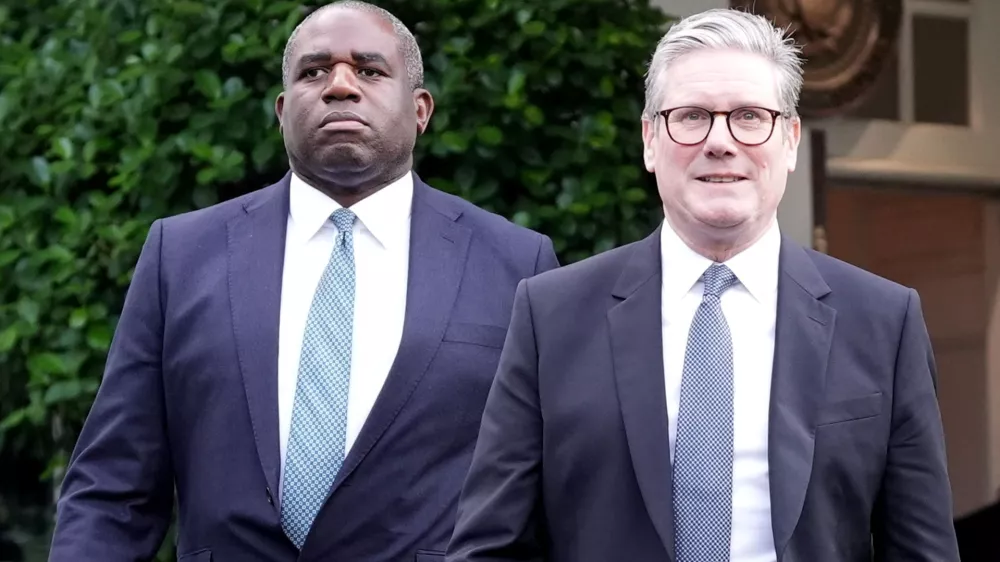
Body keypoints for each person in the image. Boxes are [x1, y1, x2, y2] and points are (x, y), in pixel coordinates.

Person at [48, 1, 558, 561]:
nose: (340, 86)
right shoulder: (182, 255)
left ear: (420, 109)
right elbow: (113, 489)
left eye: (369, 70)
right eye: (313, 71)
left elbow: (554, 490)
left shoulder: (516, 264)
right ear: (283, 108)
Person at [446, 8, 959, 562]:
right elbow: (491, 545)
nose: (720, 141)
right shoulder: (551, 316)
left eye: (749, 116)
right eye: (691, 116)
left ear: (789, 140)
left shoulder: (884, 322)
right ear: (649, 140)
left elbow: (921, 549)